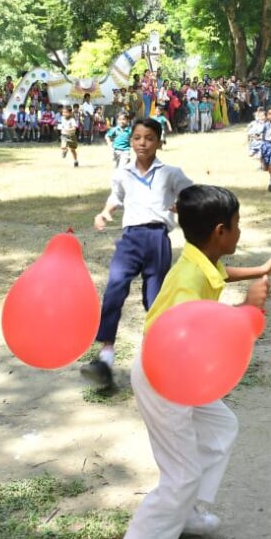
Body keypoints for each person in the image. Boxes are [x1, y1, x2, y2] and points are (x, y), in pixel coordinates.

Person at [121, 184, 271, 539]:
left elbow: (220, 274)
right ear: (220, 231)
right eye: (237, 224)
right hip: (163, 375)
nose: (240, 230)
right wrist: (247, 309)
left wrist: (260, 269)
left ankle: (185, 512)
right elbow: (192, 335)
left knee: (221, 427)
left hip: (182, 373)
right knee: (180, 476)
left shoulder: (199, 259)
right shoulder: (188, 278)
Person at [82, 119, 193, 390]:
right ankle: (105, 358)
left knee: (154, 302)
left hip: (157, 239)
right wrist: (105, 213)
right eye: (137, 138)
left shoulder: (170, 172)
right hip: (130, 239)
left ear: (159, 141)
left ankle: (155, 359)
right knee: (114, 288)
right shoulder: (122, 173)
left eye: (149, 138)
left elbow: (193, 194)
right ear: (130, 141)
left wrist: (182, 206)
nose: (142, 143)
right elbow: (116, 197)